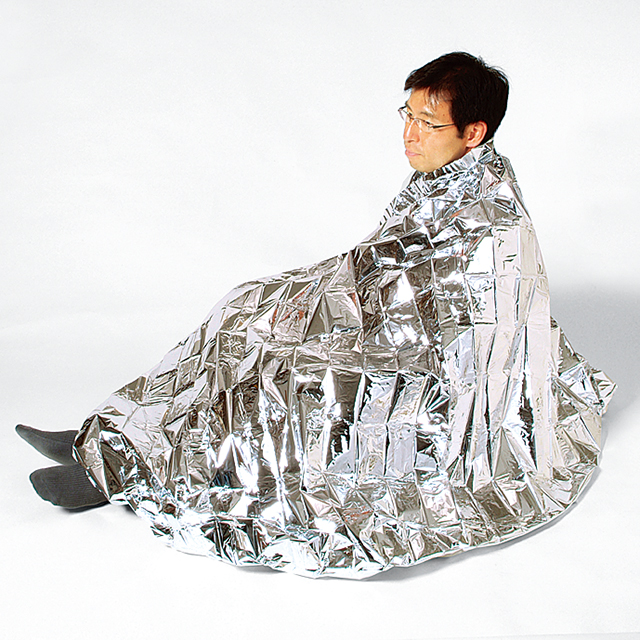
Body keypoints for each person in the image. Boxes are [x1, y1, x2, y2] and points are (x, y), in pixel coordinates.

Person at [18, 52, 614, 578]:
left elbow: (475, 333)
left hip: (425, 367)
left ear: (473, 132)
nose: (409, 134)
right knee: (243, 313)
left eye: (427, 123)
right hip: (380, 319)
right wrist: (308, 299)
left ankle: (116, 475)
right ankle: (114, 438)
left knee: (291, 377)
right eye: (405, 115)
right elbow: (382, 261)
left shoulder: (495, 217)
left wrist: (351, 333)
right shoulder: (441, 179)